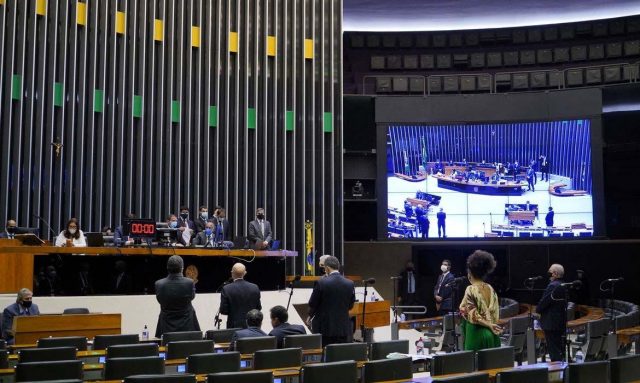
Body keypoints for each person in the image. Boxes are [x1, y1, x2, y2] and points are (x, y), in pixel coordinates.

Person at [459, 250, 502, 351]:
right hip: (493, 334)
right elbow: (495, 312)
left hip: (476, 334)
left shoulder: (470, 289)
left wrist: (488, 324)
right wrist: (491, 324)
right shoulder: (490, 288)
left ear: (470, 273)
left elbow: (473, 315)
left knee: (474, 365)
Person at [308, 256, 355, 346]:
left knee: (325, 355)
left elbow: (312, 304)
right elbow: (350, 306)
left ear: (327, 268)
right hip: (343, 328)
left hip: (324, 329)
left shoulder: (321, 283)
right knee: (340, 356)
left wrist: (309, 317)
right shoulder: (350, 283)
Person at [154, 255, 200, 337]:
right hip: (187, 326)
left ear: (167, 268)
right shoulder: (189, 283)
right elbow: (192, 297)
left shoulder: (159, 284)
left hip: (166, 327)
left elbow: (160, 300)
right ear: (182, 268)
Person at [537, 264, 567, 362]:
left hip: (550, 323)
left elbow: (544, 302)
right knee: (559, 349)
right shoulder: (563, 285)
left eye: (550, 271)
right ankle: (562, 371)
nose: (548, 273)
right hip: (560, 321)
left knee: (553, 351)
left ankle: (556, 373)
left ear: (555, 273)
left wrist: (538, 309)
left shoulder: (552, 286)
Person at [220, 263, 262, 328]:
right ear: (245, 273)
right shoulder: (255, 287)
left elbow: (223, 310)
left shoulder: (226, 289)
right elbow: (258, 308)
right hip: (252, 326)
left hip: (234, 327)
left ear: (232, 273)